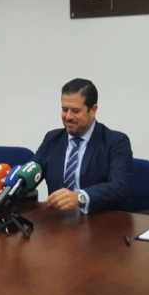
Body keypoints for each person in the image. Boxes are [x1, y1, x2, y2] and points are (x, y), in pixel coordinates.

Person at [31, 78, 133, 213]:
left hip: (97, 219)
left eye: (75, 111)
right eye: (64, 109)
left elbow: (119, 186)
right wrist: (9, 189)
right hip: (57, 219)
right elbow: (30, 175)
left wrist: (81, 197)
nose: (68, 116)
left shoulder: (115, 142)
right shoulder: (52, 139)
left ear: (93, 110)